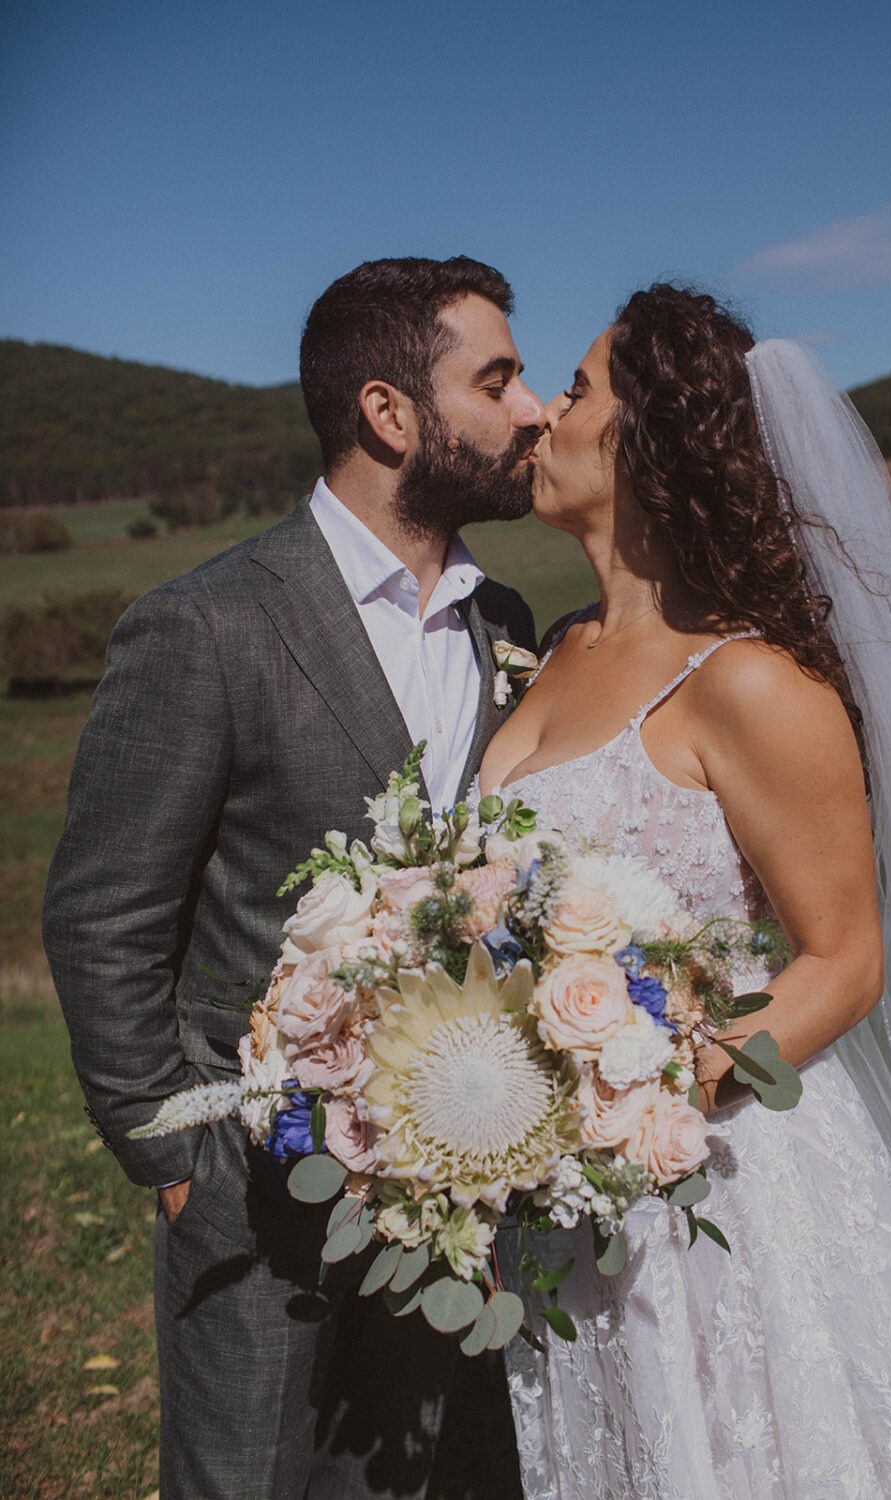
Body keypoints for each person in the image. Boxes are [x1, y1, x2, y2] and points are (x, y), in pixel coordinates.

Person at [478, 283, 891, 1497]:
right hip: (564, 1199)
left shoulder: (751, 683)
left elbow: (843, 960)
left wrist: (641, 1102)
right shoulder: (551, 649)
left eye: (579, 388)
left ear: (645, 439)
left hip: (719, 1183)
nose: (545, 413)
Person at [43, 255, 543, 1500]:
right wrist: (176, 1166)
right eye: (497, 380)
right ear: (390, 413)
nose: (533, 409)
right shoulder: (207, 624)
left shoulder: (515, 625)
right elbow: (103, 915)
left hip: (476, 1202)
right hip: (262, 1207)